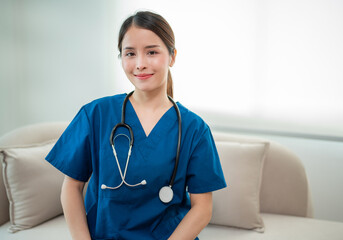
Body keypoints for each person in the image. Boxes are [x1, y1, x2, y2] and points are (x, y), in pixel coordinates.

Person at [46, 11, 226, 240]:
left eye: (151, 52)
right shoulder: (96, 114)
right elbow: (71, 187)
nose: (140, 64)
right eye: (130, 53)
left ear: (172, 56)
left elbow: (203, 208)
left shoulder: (195, 129)